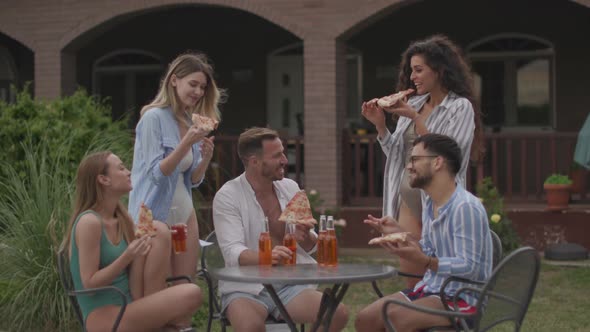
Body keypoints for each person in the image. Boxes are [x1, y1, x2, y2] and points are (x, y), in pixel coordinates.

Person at [361, 34, 485, 287]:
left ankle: (441, 319)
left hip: (440, 202)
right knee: (413, 277)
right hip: (407, 198)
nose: (412, 77)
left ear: (439, 71)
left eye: (419, 70)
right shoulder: (414, 103)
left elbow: (451, 156)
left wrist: (415, 118)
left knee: (438, 271)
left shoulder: (460, 107)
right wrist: (381, 126)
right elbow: (397, 155)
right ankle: (415, 317)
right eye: (410, 71)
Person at [213, 127, 349, 332]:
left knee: (337, 314)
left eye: (283, 153)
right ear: (254, 161)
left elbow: (310, 247)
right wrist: (268, 256)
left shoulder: (290, 187)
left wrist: (305, 238)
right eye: (277, 155)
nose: (285, 160)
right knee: (250, 327)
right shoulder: (228, 196)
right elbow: (232, 252)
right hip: (245, 288)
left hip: (289, 284)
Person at [354, 134, 493, 331]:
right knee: (366, 319)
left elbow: (469, 266)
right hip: (431, 288)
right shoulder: (429, 203)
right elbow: (427, 250)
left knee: (396, 318)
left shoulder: (465, 207)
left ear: (437, 163)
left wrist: (425, 262)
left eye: (415, 159)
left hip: (462, 298)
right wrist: (400, 233)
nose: (409, 166)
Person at [61, 151, 202, 332]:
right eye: (121, 168)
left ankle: (161, 323)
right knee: (191, 292)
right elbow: (89, 284)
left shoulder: (121, 218)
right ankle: (164, 325)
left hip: (131, 305)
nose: (128, 172)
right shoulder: (89, 222)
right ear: (104, 180)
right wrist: (128, 256)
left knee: (158, 230)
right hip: (105, 317)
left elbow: (141, 262)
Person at [128, 52, 224, 308]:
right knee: (156, 292)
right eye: (193, 84)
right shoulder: (152, 118)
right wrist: (186, 143)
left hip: (185, 214)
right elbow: (156, 174)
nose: (198, 91)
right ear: (174, 80)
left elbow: (190, 180)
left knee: (184, 286)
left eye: (202, 87)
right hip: (154, 215)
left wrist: (204, 159)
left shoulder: (188, 120)